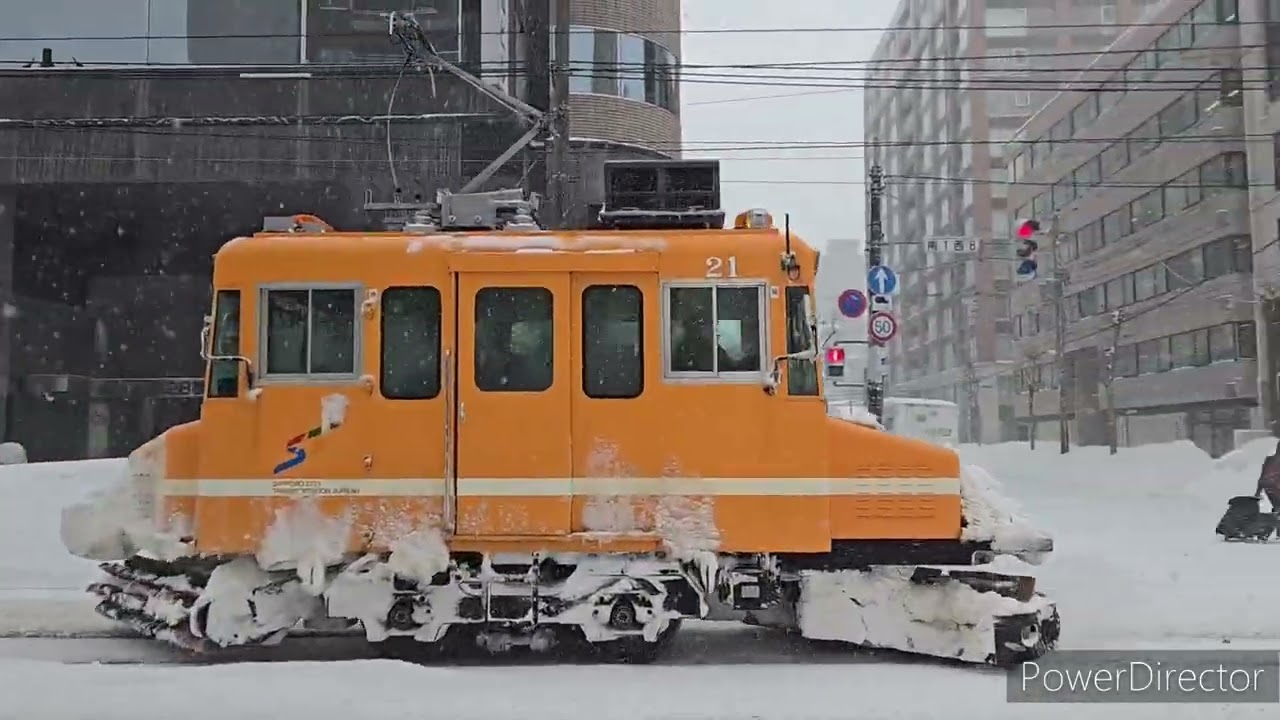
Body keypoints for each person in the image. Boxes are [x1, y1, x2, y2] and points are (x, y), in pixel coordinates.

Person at [1255, 442, 1280, 511]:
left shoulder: (1269, 460)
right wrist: (1257, 492)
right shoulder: (1269, 460)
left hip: (1271, 489)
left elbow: (1262, 476)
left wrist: (1258, 492)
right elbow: (1262, 475)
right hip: (1271, 489)